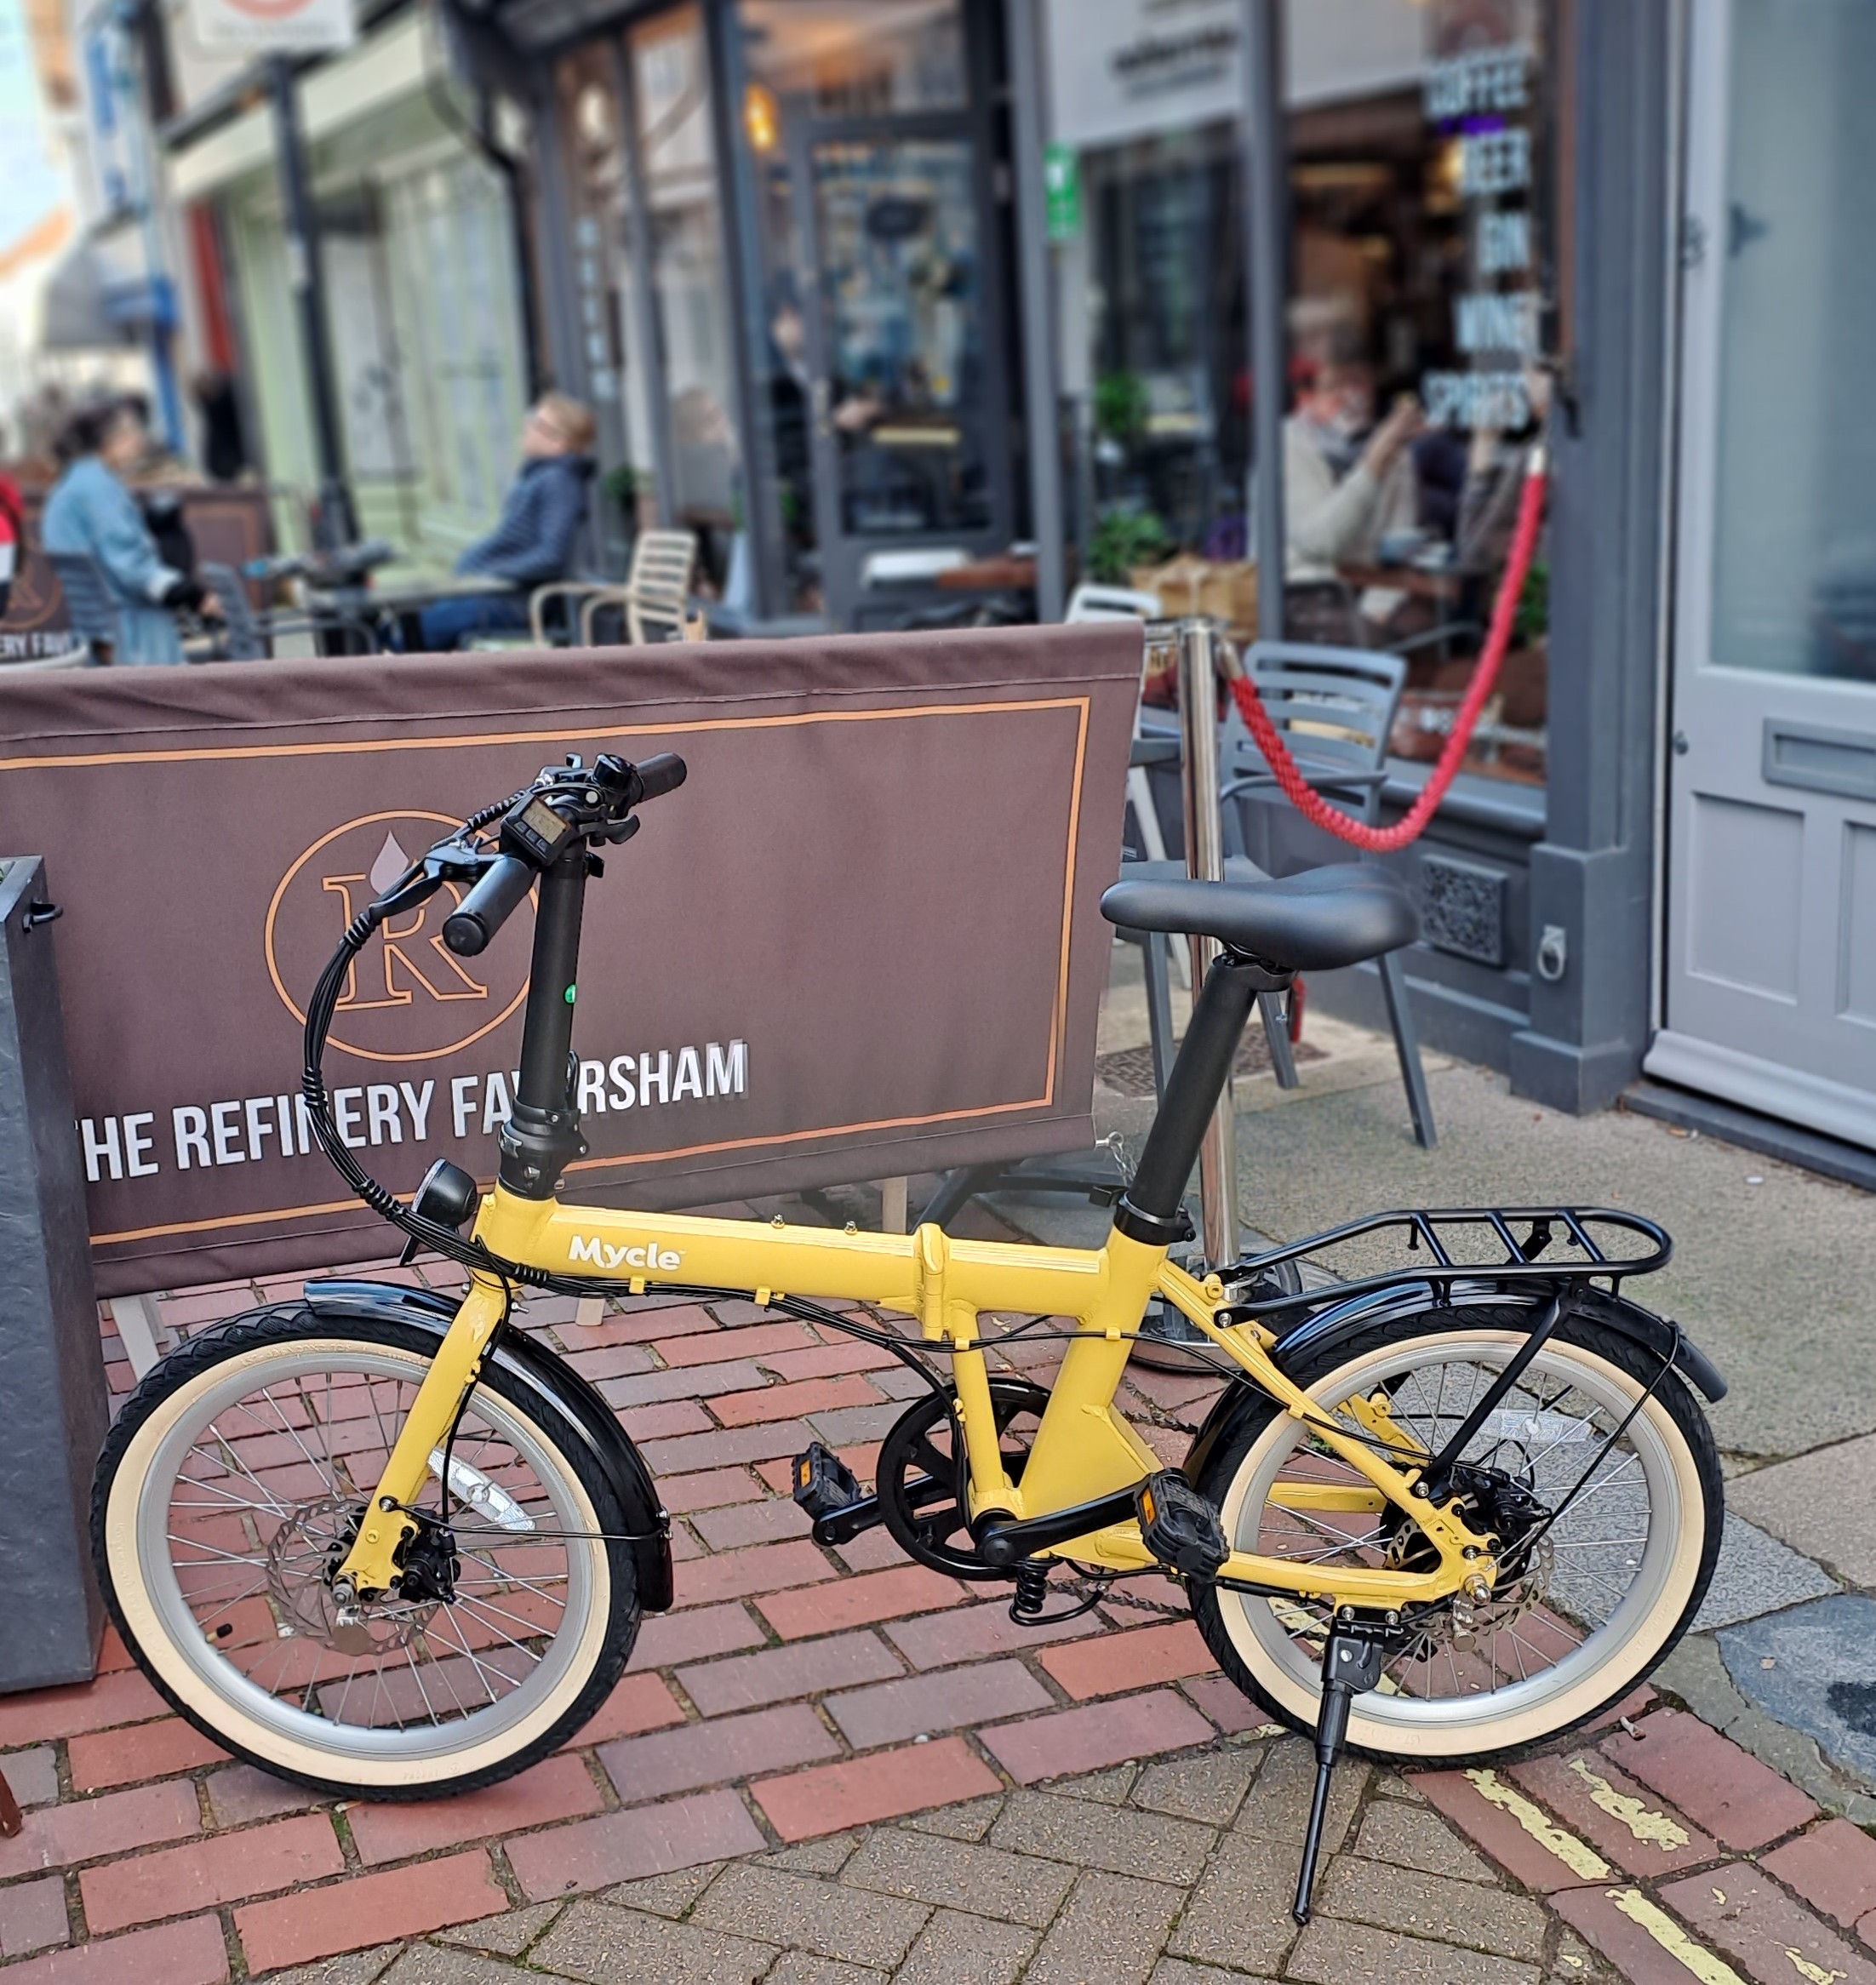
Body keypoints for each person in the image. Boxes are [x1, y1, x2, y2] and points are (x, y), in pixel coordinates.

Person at [40, 398, 219, 666]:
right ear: (113, 440)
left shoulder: (72, 484)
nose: (140, 440)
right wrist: (196, 596)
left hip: (100, 632)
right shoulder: (98, 487)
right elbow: (132, 566)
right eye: (133, 432)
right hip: (134, 633)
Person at [415, 393, 596, 650]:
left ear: (558, 442)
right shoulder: (541, 476)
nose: (527, 427)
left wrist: (491, 574)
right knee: (408, 629)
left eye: (537, 424)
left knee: (412, 632)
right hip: (496, 595)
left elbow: (551, 555)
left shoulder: (558, 481)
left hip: (516, 603)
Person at [1283, 349, 1422, 581]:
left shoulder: (1392, 451)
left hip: (1371, 598)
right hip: (1307, 599)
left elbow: (1401, 547)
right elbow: (1323, 542)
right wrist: (1374, 460)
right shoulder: (1290, 444)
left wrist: (1377, 612)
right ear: (1308, 396)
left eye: (1359, 384)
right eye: (1334, 387)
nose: (1350, 397)